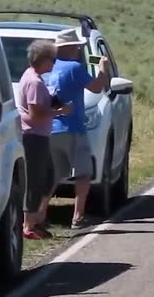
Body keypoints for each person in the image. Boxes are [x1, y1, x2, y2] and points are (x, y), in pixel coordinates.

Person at [43, 28, 109, 230]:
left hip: (51, 127)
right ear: (70, 47)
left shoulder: (48, 69)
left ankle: (39, 216)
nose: (78, 49)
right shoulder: (74, 67)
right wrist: (103, 69)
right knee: (83, 173)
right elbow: (96, 88)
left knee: (53, 174)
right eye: (77, 46)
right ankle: (78, 216)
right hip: (73, 127)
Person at [16, 39, 73, 239]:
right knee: (35, 181)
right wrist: (59, 111)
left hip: (40, 136)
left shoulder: (34, 78)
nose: (54, 63)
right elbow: (35, 115)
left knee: (47, 178)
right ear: (43, 60)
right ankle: (28, 226)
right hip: (33, 137)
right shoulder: (33, 82)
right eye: (52, 59)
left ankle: (34, 220)